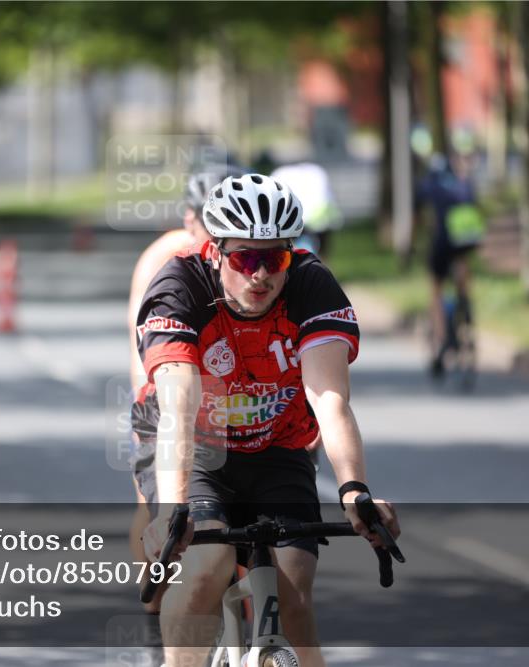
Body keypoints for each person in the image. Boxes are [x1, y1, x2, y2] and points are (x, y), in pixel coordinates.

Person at [132, 173, 399, 667]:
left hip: (278, 445)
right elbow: (179, 409)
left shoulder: (311, 286)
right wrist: (173, 510)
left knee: (294, 582)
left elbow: (330, 401)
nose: (261, 275)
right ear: (215, 252)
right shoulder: (179, 287)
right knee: (203, 569)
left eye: (273, 258)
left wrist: (353, 489)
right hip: (196, 449)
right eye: (245, 259)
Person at [126, 163, 244, 612]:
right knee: (156, 497)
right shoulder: (165, 260)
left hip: (238, 403)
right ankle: (156, 603)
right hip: (166, 390)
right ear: (189, 218)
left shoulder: (249, 258)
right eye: (206, 218)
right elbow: (143, 348)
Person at [415, 144, 485, 377]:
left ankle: (443, 337)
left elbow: (420, 212)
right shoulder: (463, 182)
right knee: (462, 262)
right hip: (466, 239)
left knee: (436, 288)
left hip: (443, 241)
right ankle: (465, 301)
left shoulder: (430, 184)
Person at [271, 162, 344, 257]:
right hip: (318, 219)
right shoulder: (316, 172)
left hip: (295, 220)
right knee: (321, 256)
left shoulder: (280, 173)